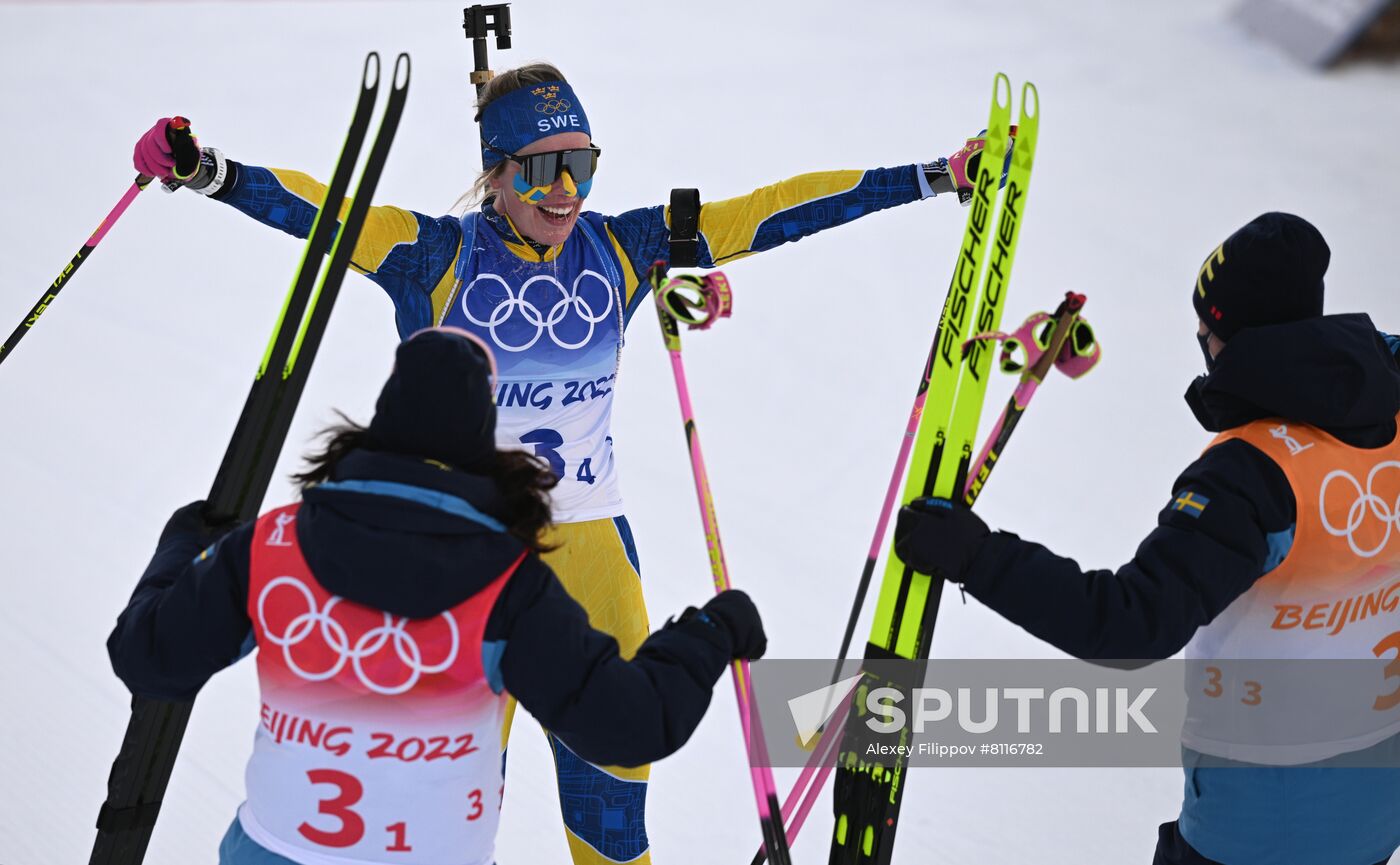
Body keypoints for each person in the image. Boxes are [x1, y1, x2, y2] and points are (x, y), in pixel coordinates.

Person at [129, 61, 998, 865]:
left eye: (582, 163)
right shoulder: (431, 256)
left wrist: (930, 177)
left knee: (612, 813)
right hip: (467, 563)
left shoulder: (620, 250)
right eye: (543, 170)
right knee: (456, 801)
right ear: (495, 171)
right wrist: (208, 170)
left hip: (588, 549)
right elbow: (326, 209)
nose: (568, 191)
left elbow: (768, 212)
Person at [107, 328, 768, 865]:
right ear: (482, 442)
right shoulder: (508, 583)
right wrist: (709, 633)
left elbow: (148, 659)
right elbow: (629, 725)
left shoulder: (270, 545)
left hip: (272, 850)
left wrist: (183, 545)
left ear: (380, 423)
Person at [892, 212, 1400, 865]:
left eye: (1208, 332)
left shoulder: (1255, 473)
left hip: (1254, 835)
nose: (1201, 341)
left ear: (1244, 342)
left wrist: (977, 556)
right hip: (1373, 814)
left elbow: (1131, 620)